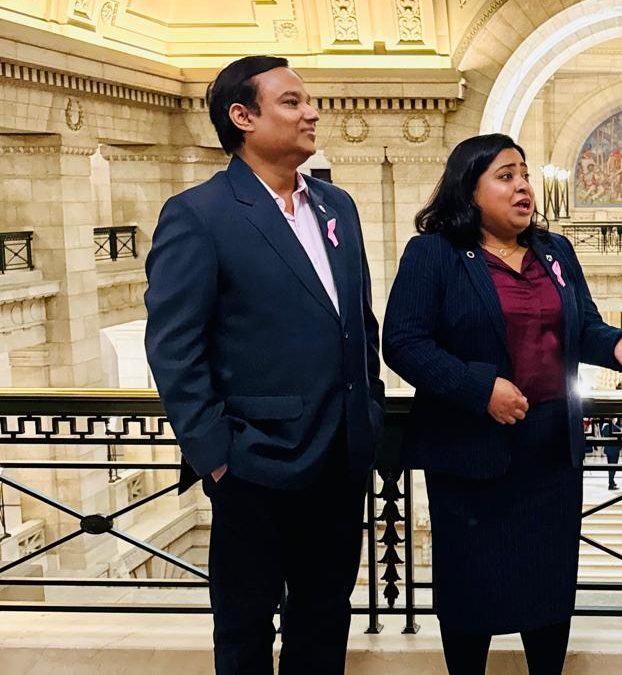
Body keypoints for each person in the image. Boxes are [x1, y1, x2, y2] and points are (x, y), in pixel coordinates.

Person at [381, 133, 622, 675]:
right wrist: (478, 388)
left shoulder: (554, 251)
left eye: (525, 174)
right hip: (472, 458)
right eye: (506, 176)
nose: (523, 188)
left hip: (549, 455)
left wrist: (617, 345)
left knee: (548, 593)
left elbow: (582, 327)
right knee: (471, 597)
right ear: (471, 190)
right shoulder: (435, 254)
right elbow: (403, 342)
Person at [144, 55, 385, 674]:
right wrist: (216, 455)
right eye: (292, 102)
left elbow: (358, 323)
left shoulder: (338, 207)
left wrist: (371, 414)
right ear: (243, 117)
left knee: (325, 621)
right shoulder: (199, 214)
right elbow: (175, 347)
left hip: (341, 458)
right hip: (254, 463)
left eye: (309, 100)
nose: (312, 112)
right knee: (246, 630)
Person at [599, 417, 622, 490]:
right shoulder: (616, 428)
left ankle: (612, 481)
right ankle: (610, 484)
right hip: (614, 450)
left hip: (608, 449)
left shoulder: (604, 427)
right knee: (613, 467)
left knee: (610, 466)